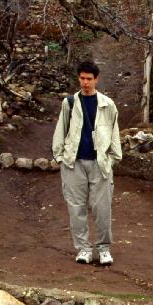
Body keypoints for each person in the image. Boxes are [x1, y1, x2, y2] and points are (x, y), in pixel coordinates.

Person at [52, 60, 122, 266]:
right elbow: (61, 129)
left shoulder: (107, 104)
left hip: (99, 163)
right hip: (74, 163)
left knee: (102, 209)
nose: (85, 83)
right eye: (82, 78)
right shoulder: (70, 103)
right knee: (76, 208)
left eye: (89, 79)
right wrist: (60, 157)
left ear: (96, 79)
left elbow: (114, 132)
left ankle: (104, 249)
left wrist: (112, 158)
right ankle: (83, 248)